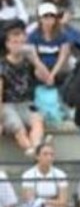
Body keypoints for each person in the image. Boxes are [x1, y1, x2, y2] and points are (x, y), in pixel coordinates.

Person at [1, 24, 53, 154]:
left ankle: (36, 149)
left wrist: (35, 59)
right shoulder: (2, 65)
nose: (19, 45)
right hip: (8, 104)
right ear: (8, 44)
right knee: (18, 128)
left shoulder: (29, 61)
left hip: (27, 103)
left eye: (22, 42)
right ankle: (36, 152)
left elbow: (48, 80)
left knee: (37, 121)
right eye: (15, 42)